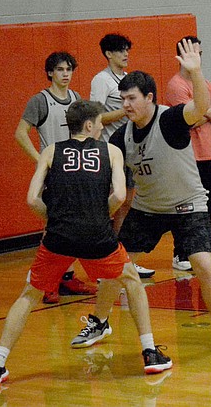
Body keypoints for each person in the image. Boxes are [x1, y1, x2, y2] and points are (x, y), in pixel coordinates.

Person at [0, 100, 171, 389]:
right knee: (131, 281)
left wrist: (57, 218)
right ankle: (150, 353)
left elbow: (32, 199)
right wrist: (95, 215)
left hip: (58, 237)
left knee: (29, 295)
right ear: (88, 125)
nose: (101, 128)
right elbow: (120, 196)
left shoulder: (50, 151)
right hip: (98, 236)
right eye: (100, 123)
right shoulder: (111, 151)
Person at [88, 38, 211, 353]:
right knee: (114, 263)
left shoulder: (171, 120)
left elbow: (201, 108)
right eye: (123, 99)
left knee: (203, 262)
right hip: (148, 209)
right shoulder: (122, 134)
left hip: (188, 205)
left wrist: (196, 73)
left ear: (149, 97)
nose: (126, 106)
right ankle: (99, 322)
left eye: (131, 99)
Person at [13, 51, 96, 304]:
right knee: (54, 226)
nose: (66, 74)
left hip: (76, 170)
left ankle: (67, 276)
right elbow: (20, 133)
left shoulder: (76, 99)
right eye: (60, 69)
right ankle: (48, 281)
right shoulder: (40, 101)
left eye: (69, 69)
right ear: (50, 72)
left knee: (73, 225)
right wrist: (41, 161)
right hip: (54, 173)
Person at [90, 33, 155, 279]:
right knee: (109, 205)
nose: (126, 54)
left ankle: (123, 257)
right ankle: (101, 260)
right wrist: (126, 110)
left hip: (129, 150)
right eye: (121, 50)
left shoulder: (128, 79)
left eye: (128, 49)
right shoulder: (101, 80)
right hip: (109, 150)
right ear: (108, 54)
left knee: (128, 203)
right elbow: (95, 117)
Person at [165, 35, 211, 271]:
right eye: (194, 54)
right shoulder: (176, 85)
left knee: (208, 203)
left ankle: (208, 248)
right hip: (188, 155)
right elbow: (188, 120)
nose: (198, 59)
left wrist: (204, 109)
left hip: (208, 151)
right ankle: (180, 253)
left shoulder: (205, 83)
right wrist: (208, 109)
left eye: (200, 54)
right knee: (186, 205)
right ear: (182, 56)